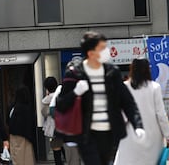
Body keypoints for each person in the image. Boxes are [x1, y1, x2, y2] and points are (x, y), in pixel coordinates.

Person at [56, 32, 144, 165]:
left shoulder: (112, 72)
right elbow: (61, 104)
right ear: (91, 53)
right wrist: (75, 92)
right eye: (102, 48)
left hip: (110, 132)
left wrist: (138, 125)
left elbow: (127, 101)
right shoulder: (75, 74)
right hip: (86, 133)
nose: (107, 51)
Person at [114, 58, 169, 165]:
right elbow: (161, 114)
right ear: (147, 70)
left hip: (131, 133)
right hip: (153, 135)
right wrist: (168, 134)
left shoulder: (124, 87)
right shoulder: (154, 87)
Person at [8, 85, 35, 165]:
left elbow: (8, 121)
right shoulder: (27, 108)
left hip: (13, 136)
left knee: (16, 159)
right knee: (27, 160)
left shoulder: (12, 107)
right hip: (25, 138)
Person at [42, 77, 63, 165]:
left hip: (54, 128)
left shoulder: (47, 100)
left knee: (57, 153)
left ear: (47, 88)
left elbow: (44, 113)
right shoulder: (62, 95)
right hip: (65, 126)